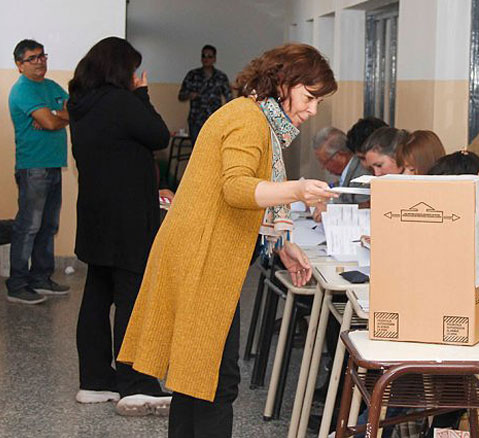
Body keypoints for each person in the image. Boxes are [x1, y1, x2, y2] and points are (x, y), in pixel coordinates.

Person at [118, 43, 338, 437]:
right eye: (310, 97)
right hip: (202, 260)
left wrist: (283, 244)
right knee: (214, 383)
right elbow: (237, 188)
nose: (312, 110)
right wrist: (298, 189)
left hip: (206, 259)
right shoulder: (249, 120)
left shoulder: (251, 116)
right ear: (284, 81)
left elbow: (246, 198)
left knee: (199, 380)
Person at [67, 37, 173, 414]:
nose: (135, 76)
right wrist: (142, 95)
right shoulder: (122, 102)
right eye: (132, 70)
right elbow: (159, 136)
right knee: (131, 297)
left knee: (97, 296)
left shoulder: (79, 104)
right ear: (120, 70)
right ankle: (135, 383)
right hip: (127, 218)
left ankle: (95, 380)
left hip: (95, 215)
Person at [6, 39, 70, 305]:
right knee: (28, 226)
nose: (40, 62)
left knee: (48, 224)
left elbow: (71, 112)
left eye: (42, 56)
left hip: (54, 164)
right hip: (33, 167)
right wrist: (54, 117)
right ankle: (18, 284)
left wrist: (56, 116)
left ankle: (41, 278)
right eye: (32, 58)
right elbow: (51, 121)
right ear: (19, 65)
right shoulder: (22, 90)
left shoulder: (52, 86)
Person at [312, 117, 386, 222]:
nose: (366, 165)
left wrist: (333, 210)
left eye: (379, 165)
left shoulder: (362, 173)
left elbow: (367, 207)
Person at [178, 44, 233, 143]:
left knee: (214, 149)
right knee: (197, 149)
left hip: (214, 119)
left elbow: (229, 97)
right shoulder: (192, 75)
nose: (206, 59)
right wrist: (190, 95)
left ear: (214, 59)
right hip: (196, 119)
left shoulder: (221, 77)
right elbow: (181, 96)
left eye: (209, 56)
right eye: (203, 56)